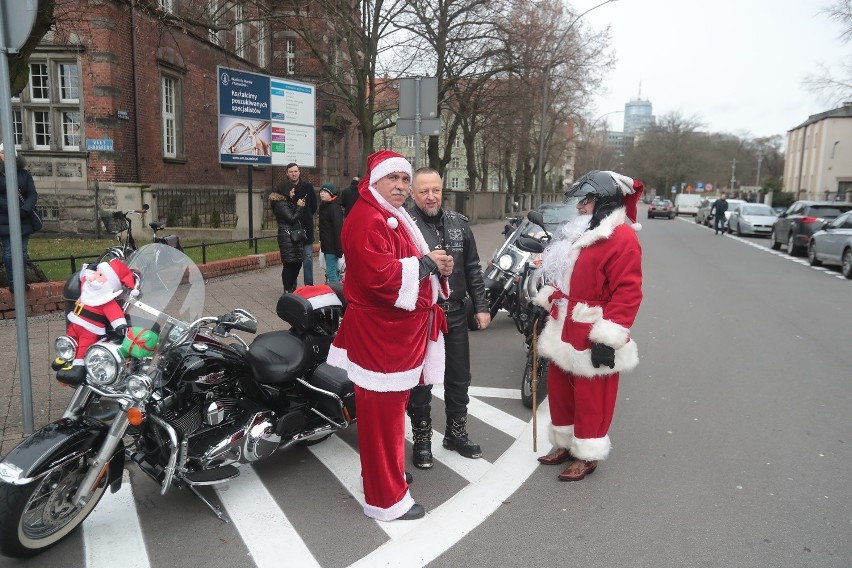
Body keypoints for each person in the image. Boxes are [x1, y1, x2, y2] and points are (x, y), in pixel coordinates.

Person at [327, 150, 453, 522]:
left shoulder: (387, 213)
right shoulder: (368, 218)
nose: (401, 186)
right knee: (382, 420)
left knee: (389, 415)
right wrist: (429, 262)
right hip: (381, 338)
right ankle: (385, 500)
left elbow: (405, 262)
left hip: (394, 337)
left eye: (404, 179)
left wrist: (433, 263)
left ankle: (384, 475)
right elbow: (380, 277)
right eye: (393, 179)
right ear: (375, 181)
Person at [534, 170, 643, 482]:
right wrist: (548, 299)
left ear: (605, 201)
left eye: (587, 200)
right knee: (560, 389)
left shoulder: (621, 237)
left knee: (592, 397)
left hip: (594, 326)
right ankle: (565, 444)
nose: (580, 207)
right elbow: (567, 278)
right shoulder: (581, 232)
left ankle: (587, 453)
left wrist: (608, 338)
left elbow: (629, 291)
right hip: (565, 322)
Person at [405, 167, 490, 469]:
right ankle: (423, 440)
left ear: (443, 190)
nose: (431, 196)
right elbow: (399, 271)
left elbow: (473, 269)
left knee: (459, 378)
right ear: (413, 193)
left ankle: (455, 434)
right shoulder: (405, 225)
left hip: (455, 313)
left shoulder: (459, 223)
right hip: (422, 315)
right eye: (424, 191)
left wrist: (481, 307)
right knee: (421, 381)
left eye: (436, 190)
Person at [0, 143, 39, 289]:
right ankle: (13, 282)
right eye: (3, 152)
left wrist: (24, 210)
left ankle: (21, 281)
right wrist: (11, 208)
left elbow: (32, 194)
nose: (6, 156)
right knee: (9, 252)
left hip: (23, 218)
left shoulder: (24, 174)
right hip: (5, 219)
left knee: (22, 252)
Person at [275, 163, 317, 284]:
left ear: (299, 172)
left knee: (308, 258)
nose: (294, 174)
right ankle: (291, 286)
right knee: (293, 260)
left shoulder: (308, 187)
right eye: (291, 172)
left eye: (295, 171)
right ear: (287, 173)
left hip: (306, 228)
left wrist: (306, 215)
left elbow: (313, 206)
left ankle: (308, 285)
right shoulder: (283, 188)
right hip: (291, 230)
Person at [269, 186, 305, 292]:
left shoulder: (288, 202)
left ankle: (291, 287)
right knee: (290, 264)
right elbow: (291, 218)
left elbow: (296, 217)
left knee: (297, 263)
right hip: (287, 237)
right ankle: (288, 289)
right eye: (292, 191)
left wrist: (300, 207)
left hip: (293, 236)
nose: (293, 193)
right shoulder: (281, 204)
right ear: (286, 191)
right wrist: (299, 207)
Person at [317, 182, 344, 283]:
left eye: (325, 192)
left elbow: (338, 229)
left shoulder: (334, 208)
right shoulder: (325, 206)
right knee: (331, 271)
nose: (322, 194)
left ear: (331, 194)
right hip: (327, 244)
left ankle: (337, 294)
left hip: (332, 245)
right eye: (321, 191)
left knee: (331, 272)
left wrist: (338, 248)